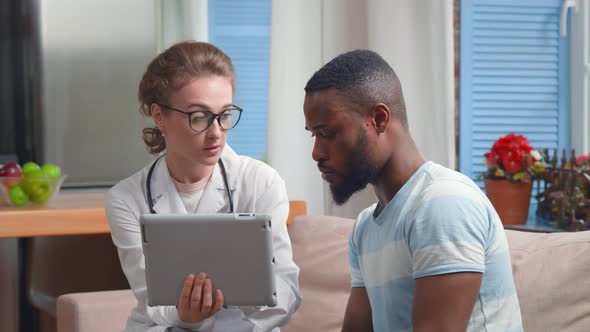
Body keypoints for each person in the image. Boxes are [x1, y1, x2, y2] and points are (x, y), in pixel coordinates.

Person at [303, 50, 523, 332]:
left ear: (379, 119)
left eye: (327, 133)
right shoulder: (365, 228)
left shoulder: (444, 203)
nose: (316, 153)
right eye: (313, 134)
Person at [106, 41, 301, 332]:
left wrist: (246, 291)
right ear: (160, 116)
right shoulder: (126, 198)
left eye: (224, 115)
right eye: (199, 117)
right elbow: (154, 301)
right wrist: (189, 316)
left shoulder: (261, 182)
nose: (216, 133)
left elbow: (287, 294)